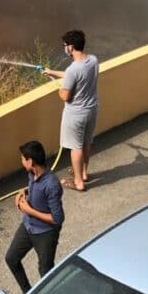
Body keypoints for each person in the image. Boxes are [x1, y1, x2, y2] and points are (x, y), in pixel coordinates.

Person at [42, 29, 99, 191]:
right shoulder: (93, 60)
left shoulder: (74, 69)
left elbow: (65, 96)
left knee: (76, 147)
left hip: (75, 115)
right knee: (86, 143)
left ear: (71, 47)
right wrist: (51, 72)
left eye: (65, 45)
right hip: (91, 110)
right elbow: (71, 75)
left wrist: (58, 88)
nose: (65, 48)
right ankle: (84, 173)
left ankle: (78, 182)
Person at [5, 140, 65, 294]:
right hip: (28, 227)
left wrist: (29, 210)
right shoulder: (32, 173)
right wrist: (24, 192)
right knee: (11, 259)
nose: (21, 161)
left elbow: (57, 219)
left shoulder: (52, 184)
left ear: (30, 161)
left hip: (45, 233)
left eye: (22, 158)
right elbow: (34, 189)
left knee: (45, 272)